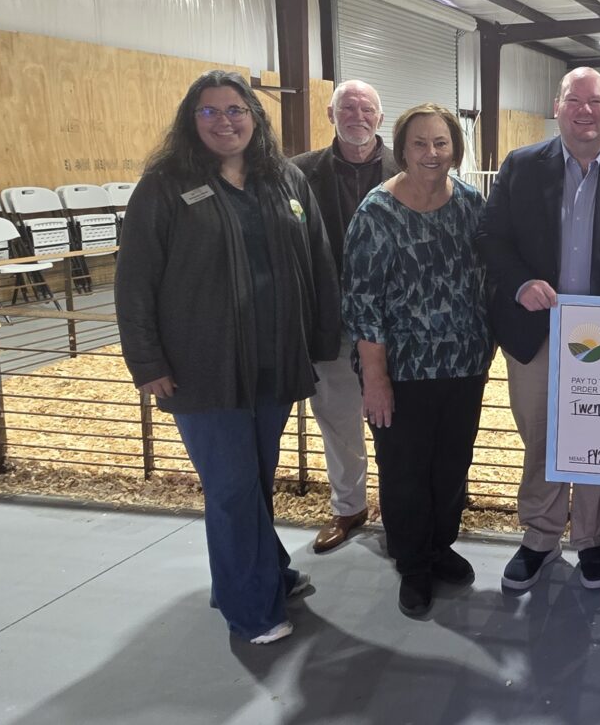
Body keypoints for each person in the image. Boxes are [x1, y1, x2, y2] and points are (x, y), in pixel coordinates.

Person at [116, 70, 339, 645]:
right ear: (191, 121)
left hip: (273, 361)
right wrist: (147, 362)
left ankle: (258, 574)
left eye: (236, 110)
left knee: (254, 481)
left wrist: (321, 338)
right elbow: (135, 279)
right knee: (232, 487)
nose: (225, 121)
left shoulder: (285, 179)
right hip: (201, 366)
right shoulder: (165, 186)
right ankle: (252, 611)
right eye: (210, 111)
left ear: (255, 118)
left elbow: (318, 260)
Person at [477, 67, 600, 593]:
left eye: (596, 101)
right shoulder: (521, 166)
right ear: (557, 108)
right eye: (574, 100)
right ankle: (540, 537)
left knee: (596, 434)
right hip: (536, 330)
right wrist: (520, 283)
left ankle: (590, 538)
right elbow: (491, 237)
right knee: (540, 434)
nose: (586, 110)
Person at [344, 103, 491, 619]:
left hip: (464, 364)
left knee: (451, 464)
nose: (432, 153)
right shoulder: (376, 214)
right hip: (402, 371)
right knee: (405, 470)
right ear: (402, 149)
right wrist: (375, 379)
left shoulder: (471, 204)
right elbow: (361, 303)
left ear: (455, 148)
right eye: (420, 143)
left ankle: (439, 545)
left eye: (441, 142)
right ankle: (412, 562)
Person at [290, 79, 398, 554]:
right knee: (337, 419)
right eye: (347, 108)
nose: (358, 116)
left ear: (380, 117)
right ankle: (349, 506)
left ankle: (398, 508)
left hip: (396, 326)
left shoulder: (407, 168)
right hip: (330, 322)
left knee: (397, 423)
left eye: (366, 108)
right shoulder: (296, 174)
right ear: (330, 114)